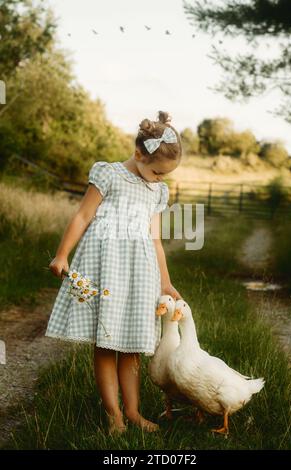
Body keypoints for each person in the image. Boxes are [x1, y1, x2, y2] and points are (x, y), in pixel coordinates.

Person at [46, 110, 182, 435]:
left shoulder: (157, 192)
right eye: (158, 171)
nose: (161, 178)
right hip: (105, 268)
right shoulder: (108, 175)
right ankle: (113, 416)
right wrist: (62, 254)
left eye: (166, 174)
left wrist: (166, 281)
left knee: (132, 345)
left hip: (140, 273)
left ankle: (133, 412)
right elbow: (82, 216)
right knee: (106, 345)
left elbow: (155, 240)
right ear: (138, 154)